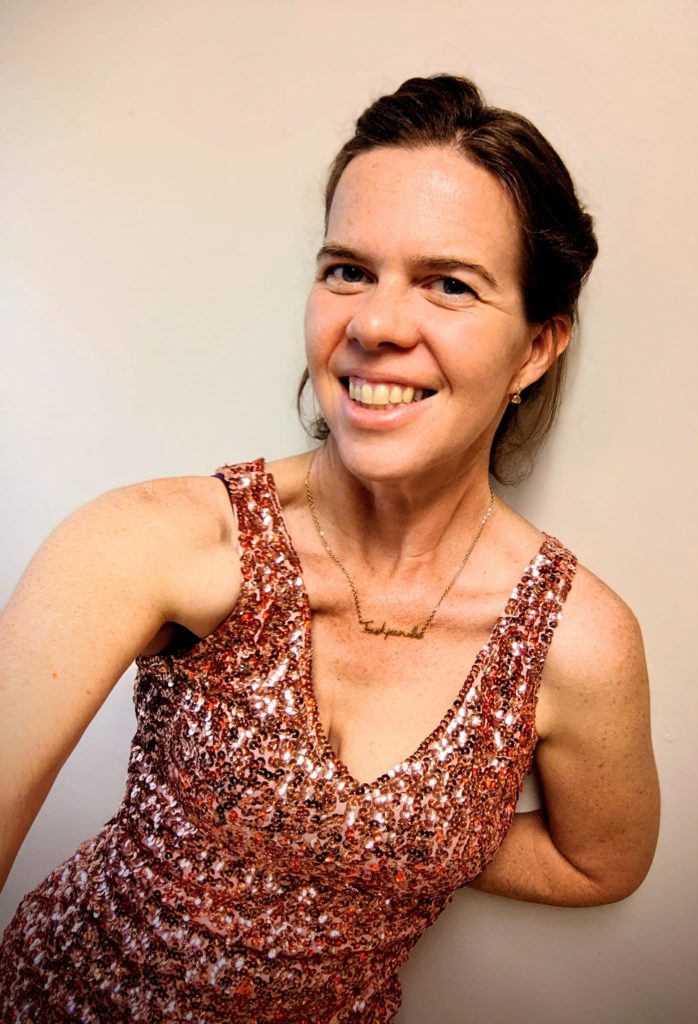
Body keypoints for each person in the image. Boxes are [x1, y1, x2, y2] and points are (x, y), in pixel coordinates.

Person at [0, 74, 660, 1023]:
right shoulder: (159, 541)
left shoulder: (578, 645)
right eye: (348, 269)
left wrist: (396, 840)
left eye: (448, 284)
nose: (375, 326)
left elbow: (599, 861)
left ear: (536, 348)